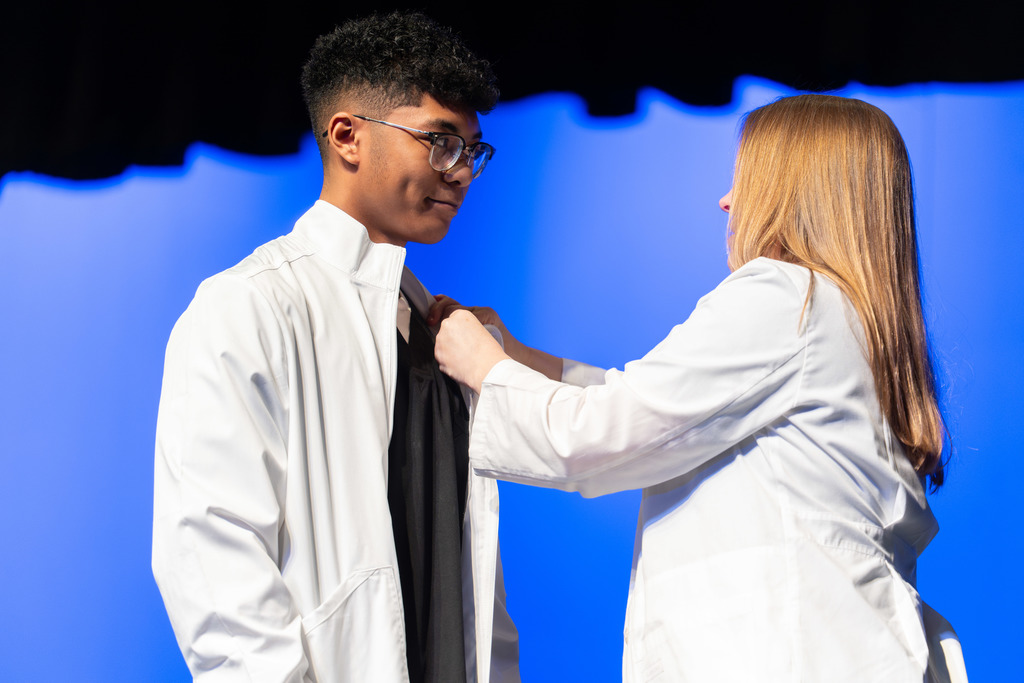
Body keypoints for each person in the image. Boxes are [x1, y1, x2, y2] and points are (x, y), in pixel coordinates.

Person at [433, 95, 965, 681]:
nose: (727, 200)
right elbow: (663, 408)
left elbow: (600, 434)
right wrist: (516, 358)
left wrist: (485, 367)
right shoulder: (857, 326)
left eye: (747, 179)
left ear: (796, 191)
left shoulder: (787, 297)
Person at [152, 11, 519, 683]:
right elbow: (212, 556)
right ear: (348, 136)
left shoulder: (438, 329)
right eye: (440, 142)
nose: (462, 171)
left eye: (473, 150)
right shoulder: (251, 306)